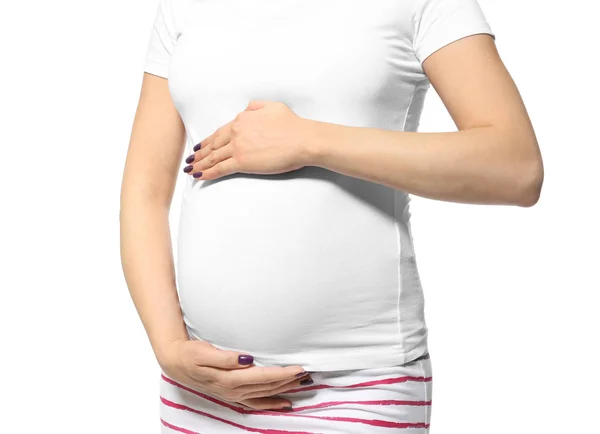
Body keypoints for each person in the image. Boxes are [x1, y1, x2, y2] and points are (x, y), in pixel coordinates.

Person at [120, 0, 543, 432]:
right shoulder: (181, 7)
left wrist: (308, 141)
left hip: (357, 387)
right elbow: (145, 193)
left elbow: (515, 168)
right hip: (202, 386)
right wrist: (169, 345)